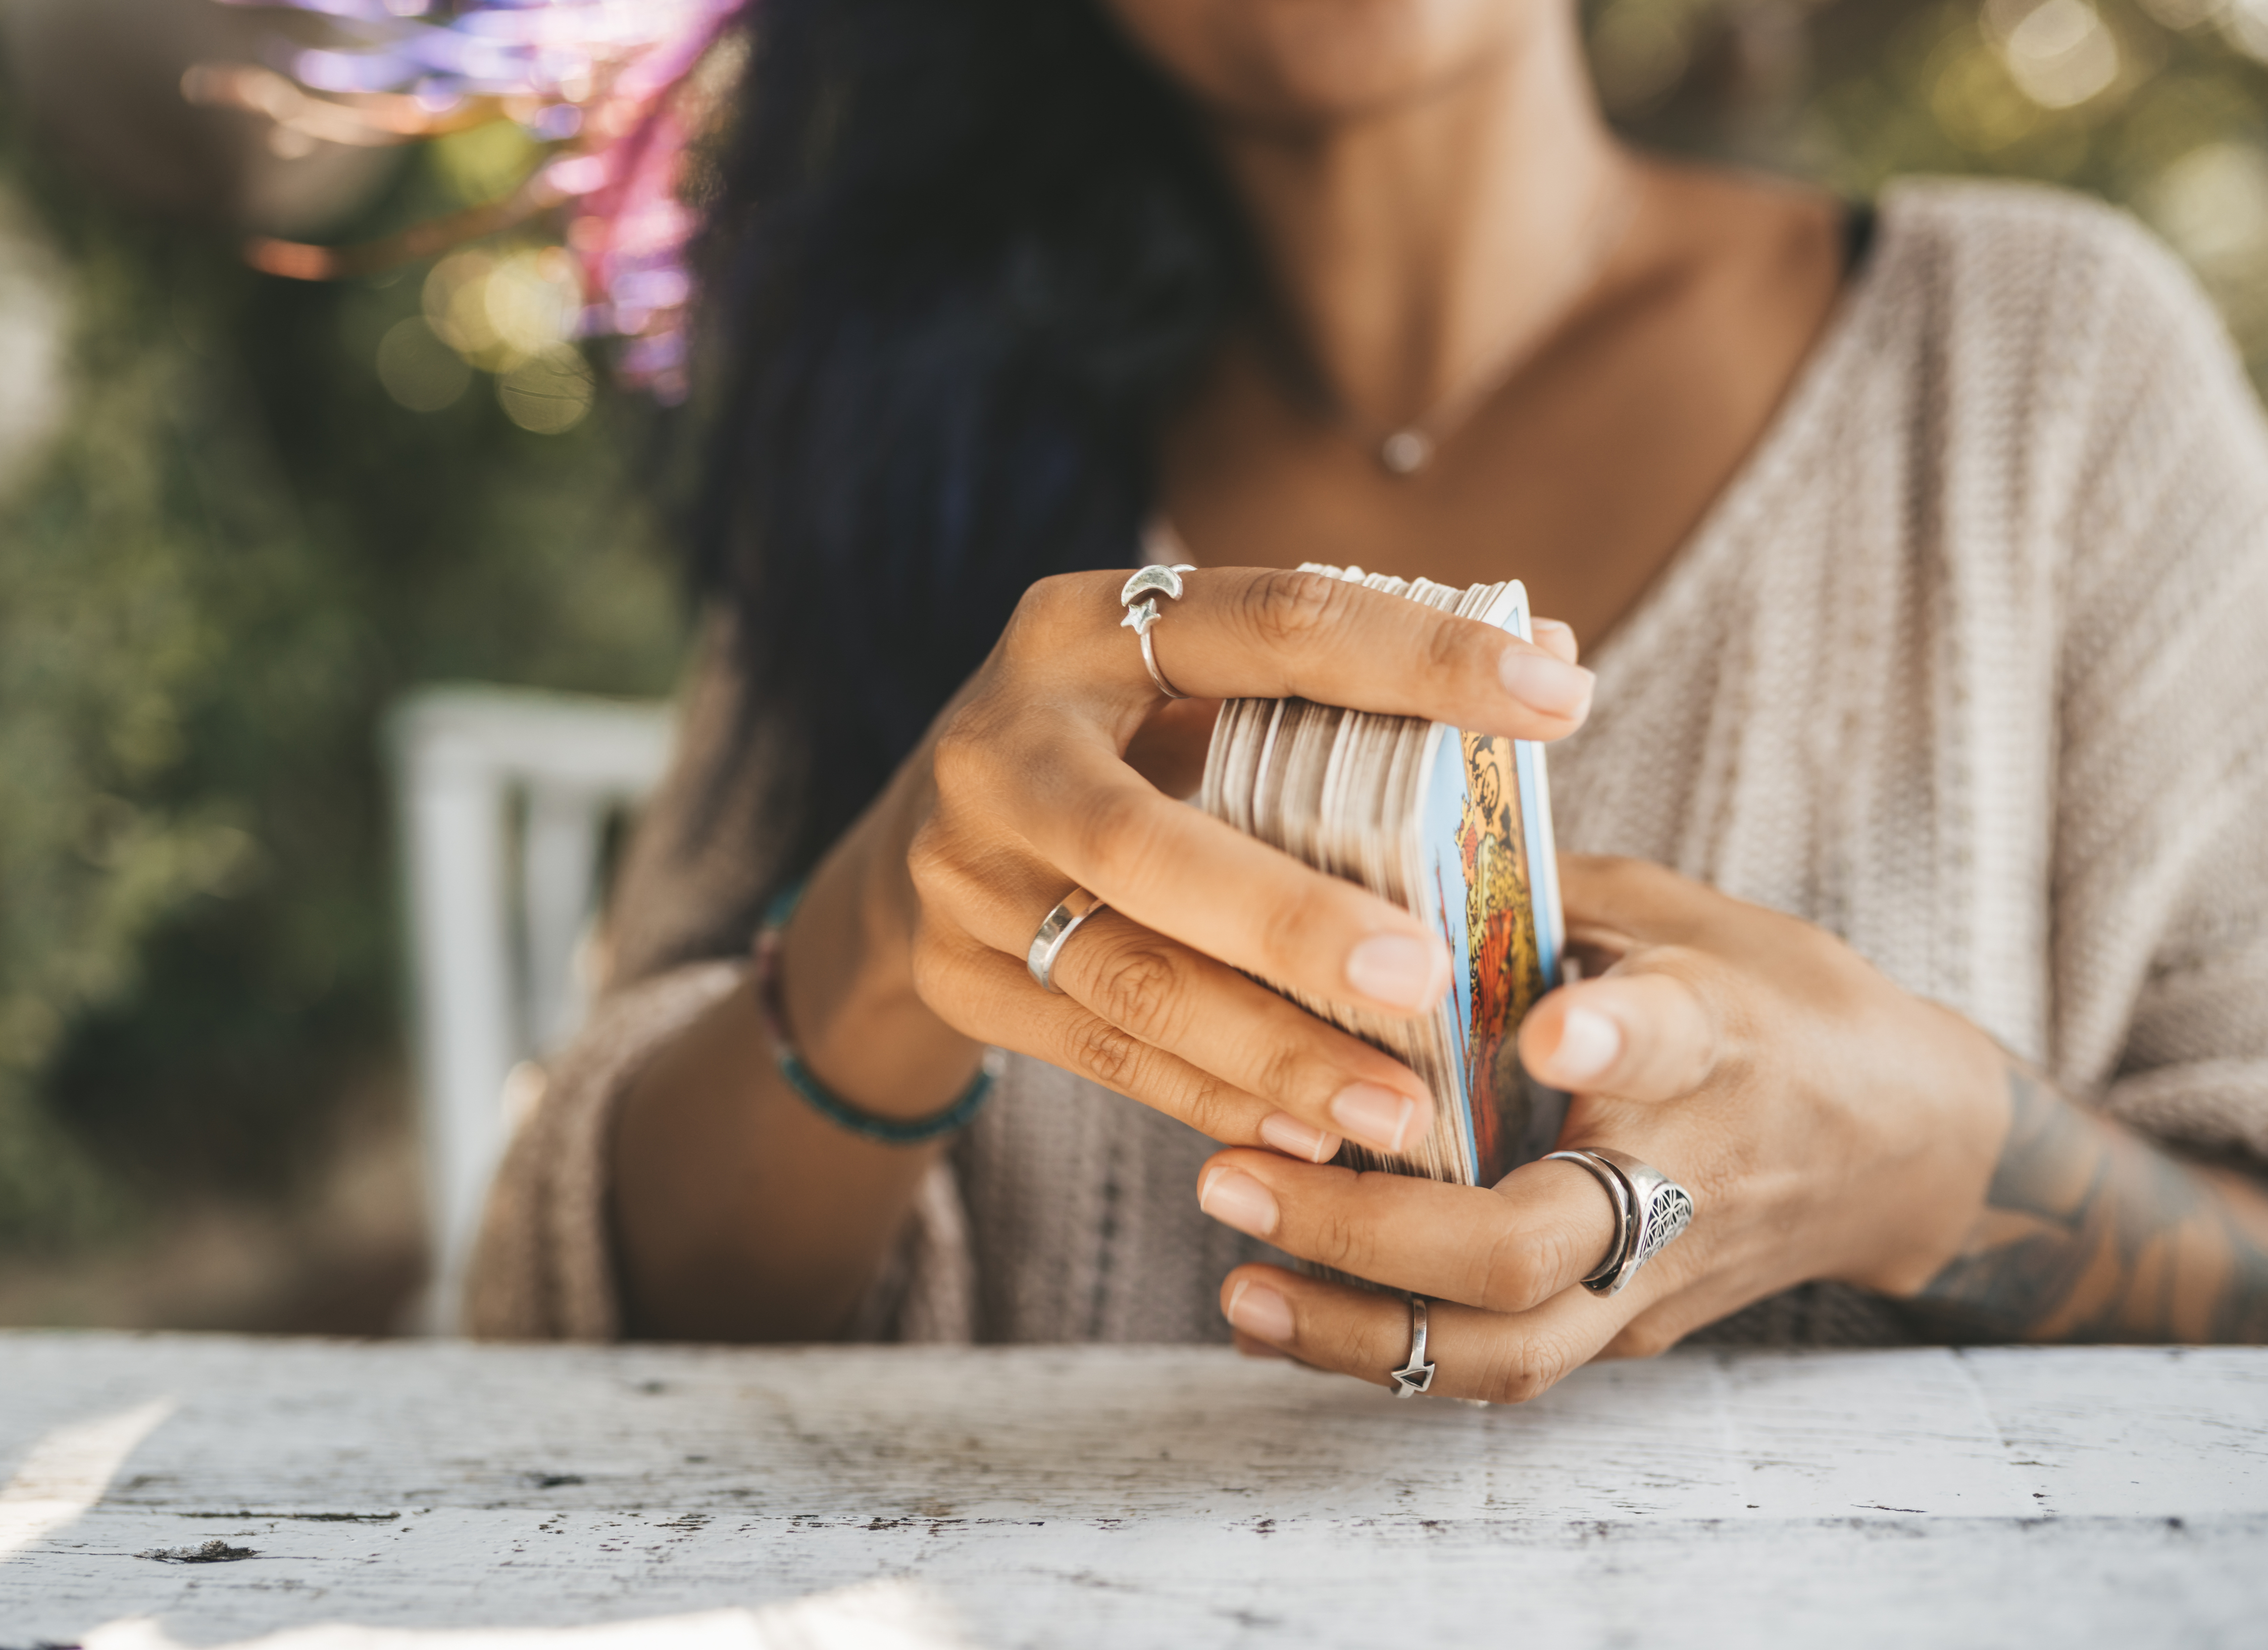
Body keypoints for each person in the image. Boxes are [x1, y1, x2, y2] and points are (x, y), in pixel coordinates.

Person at [466, 0, 2268, 1396]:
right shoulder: (896, 449)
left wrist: (1929, 1164)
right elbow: (578, 1324)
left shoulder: (2046, 374)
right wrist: (887, 934)